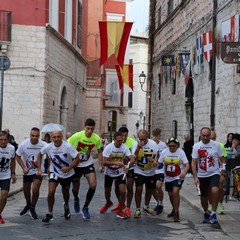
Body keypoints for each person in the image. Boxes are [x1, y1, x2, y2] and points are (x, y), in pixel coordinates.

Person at [37, 130, 79, 223]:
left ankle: (66, 206)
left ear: (62, 137)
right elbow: (39, 154)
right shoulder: (48, 146)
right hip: (54, 172)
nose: (56, 139)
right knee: (51, 191)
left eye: (58, 137)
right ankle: (50, 213)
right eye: (54, 137)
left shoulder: (67, 146)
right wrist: (39, 169)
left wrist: (69, 168)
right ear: (52, 138)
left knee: (65, 192)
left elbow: (77, 159)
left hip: (67, 174)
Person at [67, 118, 103, 219]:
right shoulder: (77, 136)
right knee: (75, 187)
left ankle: (86, 207)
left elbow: (100, 151)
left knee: (93, 184)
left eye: (92, 129)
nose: (90, 131)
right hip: (76, 164)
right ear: (84, 127)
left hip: (87, 164)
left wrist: (100, 165)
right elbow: (66, 147)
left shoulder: (96, 138)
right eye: (88, 129)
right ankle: (76, 198)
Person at [192, 127, 225, 224]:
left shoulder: (216, 145)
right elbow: (194, 163)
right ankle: (206, 212)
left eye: (207, 136)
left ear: (210, 135)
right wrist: (195, 177)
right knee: (203, 197)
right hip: (202, 175)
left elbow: (223, 160)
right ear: (200, 135)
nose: (205, 138)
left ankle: (213, 213)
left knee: (215, 190)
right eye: (203, 136)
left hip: (214, 173)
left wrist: (222, 173)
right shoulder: (196, 146)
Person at [100, 131, 135, 219]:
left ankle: (120, 209)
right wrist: (115, 162)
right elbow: (104, 163)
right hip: (109, 172)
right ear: (114, 140)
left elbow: (132, 159)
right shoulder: (109, 148)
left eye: (122, 141)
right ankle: (108, 202)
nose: (120, 143)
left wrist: (128, 166)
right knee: (107, 191)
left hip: (120, 172)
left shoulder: (124, 147)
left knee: (123, 191)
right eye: (118, 141)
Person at [16, 127, 47, 219]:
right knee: (26, 190)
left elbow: (49, 153)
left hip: (38, 170)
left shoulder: (43, 144)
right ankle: (28, 204)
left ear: (39, 136)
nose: (34, 138)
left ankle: (32, 207)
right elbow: (17, 156)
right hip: (27, 171)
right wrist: (23, 167)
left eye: (36, 136)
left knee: (35, 190)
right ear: (30, 135)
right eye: (32, 135)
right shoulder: (24, 144)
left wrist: (48, 167)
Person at [159, 137, 189, 222]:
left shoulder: (181, 152)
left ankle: (176, 213)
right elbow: (159, 163)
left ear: (177, 145)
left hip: (178, 176)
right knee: (170, 194)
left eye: (174, 146)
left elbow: (187, 164)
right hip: (168, 176)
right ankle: (174, 209)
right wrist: (153, 162)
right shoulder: (164, 152)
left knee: (175, 191)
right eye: (170, 146)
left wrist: (184, 172)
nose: (172, 148)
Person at [132, 129, 158, 218]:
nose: (142, 141)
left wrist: (154, 162)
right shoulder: (135, 144)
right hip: (139, 169)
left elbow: (157, 159)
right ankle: (137, 209)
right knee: (138, 188)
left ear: (148, 137)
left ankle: (146, 206)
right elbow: (133, 158)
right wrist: (138, 147)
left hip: (150, 171)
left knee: (149, 190)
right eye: (140, 139)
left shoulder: (153, 144)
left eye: (144, 139)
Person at [209, 131, 227, 214]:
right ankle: (210, 204)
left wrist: (223, 173)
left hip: (218, 170)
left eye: (213, 138)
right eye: (210, 138)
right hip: (209, 170)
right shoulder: (205, 146)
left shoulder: (220, 145)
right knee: (210, 189)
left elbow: (224, 160)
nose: (212, 140)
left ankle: (220, 204)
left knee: (220, 188)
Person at [0, 130, 16, 224]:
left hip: (6, 175)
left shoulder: (11, 148)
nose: (3, 141)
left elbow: (13, 161)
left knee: (4, 196)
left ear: (8, 140)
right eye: (1, 139)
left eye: (5, 139)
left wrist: (13, 173)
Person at [152, 128, 167, 215]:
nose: (155, 138)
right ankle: (159, 202)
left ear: (159, 136)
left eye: (156, 136)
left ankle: (160, 203)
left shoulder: (163, 146)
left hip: (160, 169)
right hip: (152, 170)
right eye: (154, 136)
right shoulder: (151, 144)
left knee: (158, 186)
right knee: (152, 189)